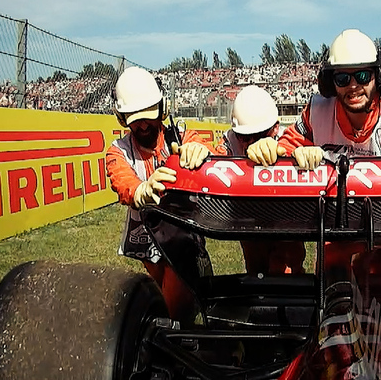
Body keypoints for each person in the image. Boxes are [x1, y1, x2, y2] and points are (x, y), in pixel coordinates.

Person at [246, 28, 381, 169]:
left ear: (379, 77)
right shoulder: (315, 112)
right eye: (342, 78)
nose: (353, 86)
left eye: (362, 76)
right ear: (330, 83)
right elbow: (286, 146)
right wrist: (269, 149)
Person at [105, 66, 215, 321]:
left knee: (176, 296)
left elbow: (202, 145)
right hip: (146, 237)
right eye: (134, 118)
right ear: (122, 118)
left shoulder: (181, 135)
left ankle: (174, 333)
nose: (143, 124)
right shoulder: (118, 150)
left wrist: (200, 152)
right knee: (162, 291)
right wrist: (140, 190)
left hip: (183, 235)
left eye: (148, 116)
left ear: (162, 110)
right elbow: (121, 179)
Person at [216, 85, 306, 274]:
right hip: (249, 214)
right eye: (244, 137)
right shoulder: (229, 141)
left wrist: (286, 153)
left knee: (291, 262)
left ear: (275, 128)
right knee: (255, 266)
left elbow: (296, 149)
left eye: (259, 136)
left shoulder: (286, 138)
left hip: (285, 212)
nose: (251, 143)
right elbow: (214, 159)